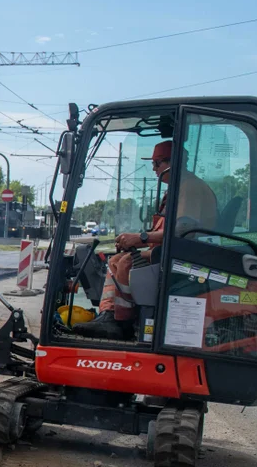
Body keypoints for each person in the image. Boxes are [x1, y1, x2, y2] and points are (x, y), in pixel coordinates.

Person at [75, 140, 217, 340]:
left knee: (126, 263)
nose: (153, 169)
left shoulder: (189, 187)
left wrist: (141, 237)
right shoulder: (179, 187)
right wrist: (136, 240)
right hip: (173, 250)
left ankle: (122, 322)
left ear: (169, 163)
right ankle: (109, 315)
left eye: (156, 164)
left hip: (186, 255)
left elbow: (184, 230)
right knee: (116, 260)